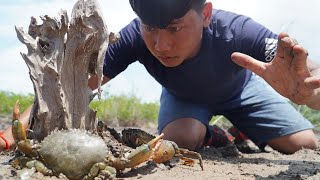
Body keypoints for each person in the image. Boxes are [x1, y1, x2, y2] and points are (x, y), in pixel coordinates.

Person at [1, 0, 319, 153]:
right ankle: (215, 136)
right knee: (181, 140)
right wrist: (9, 135)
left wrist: (308, 94)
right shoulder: (131, 39)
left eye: (175, 28)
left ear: (205, 14)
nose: (160, 44)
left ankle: (240, 128)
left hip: (241, 91)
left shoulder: (237, 31)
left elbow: (308, 72)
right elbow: (67, 89)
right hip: (185, 98)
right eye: (150, 27)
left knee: (302, 144)